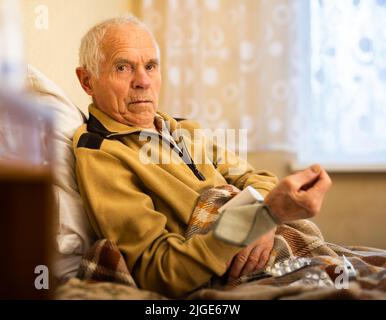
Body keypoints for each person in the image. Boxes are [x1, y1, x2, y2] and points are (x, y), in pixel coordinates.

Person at [73, 15, 332, 298]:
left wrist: (264, 222)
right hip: (225, 273)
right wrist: (260, 218)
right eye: (123, 67)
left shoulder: (183, 128)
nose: (143, 81)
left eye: (150, 66)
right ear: (87, 81)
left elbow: (255, 178)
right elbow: (160, 272)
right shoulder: (102, 153)